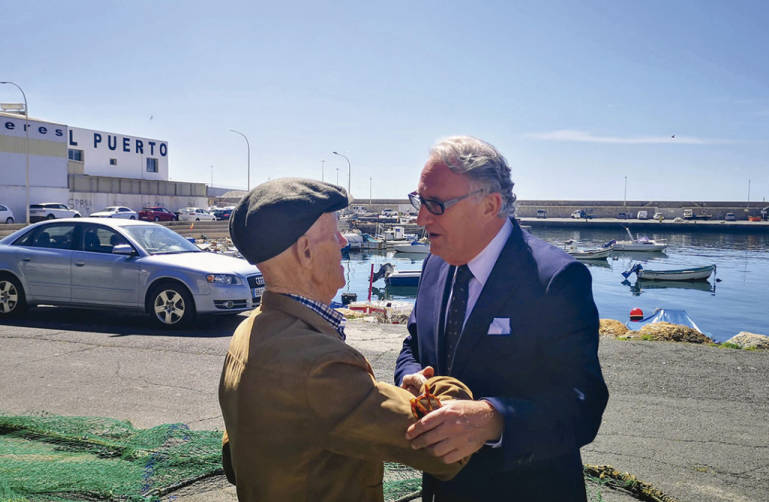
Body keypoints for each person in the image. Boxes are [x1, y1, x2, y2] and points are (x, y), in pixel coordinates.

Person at [218, 178, 473, 502]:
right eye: (334, 233)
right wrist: (439, 389)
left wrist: (387, 398)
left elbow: (234, 458)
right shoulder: (320, 365)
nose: (343, 242)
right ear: (306, 251)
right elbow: (446, 451)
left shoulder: (250, 330)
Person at [394, 137, 609, 501]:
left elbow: (583, 404)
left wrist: (493, 419)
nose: (420, 218)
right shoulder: (434, 262)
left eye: (435, 204)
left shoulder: (554, 279)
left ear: (489, 205)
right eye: (418, 201)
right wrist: (410, 377)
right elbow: (412, 345)